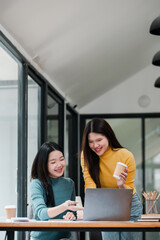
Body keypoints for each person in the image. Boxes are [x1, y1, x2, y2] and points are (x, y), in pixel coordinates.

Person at [81, 118, 142, 240]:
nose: (95, 145)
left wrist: (121, 185)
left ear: (108, 137)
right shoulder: (86, 156)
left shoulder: (125, 155)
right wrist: (92, 206)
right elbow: (89, 183)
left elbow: (128, 188)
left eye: (99, 140)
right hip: (105, 204)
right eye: (91, 141)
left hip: (128, 202)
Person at [30, 141, 83, 240]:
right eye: (53, 162)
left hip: (64, 238)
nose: (59, 165)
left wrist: (71, 215)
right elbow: (42, 213)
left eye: (61, 159)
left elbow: (74, 213)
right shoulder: (36, 184)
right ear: (44, 164)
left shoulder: (69, 183)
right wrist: (64, 207)